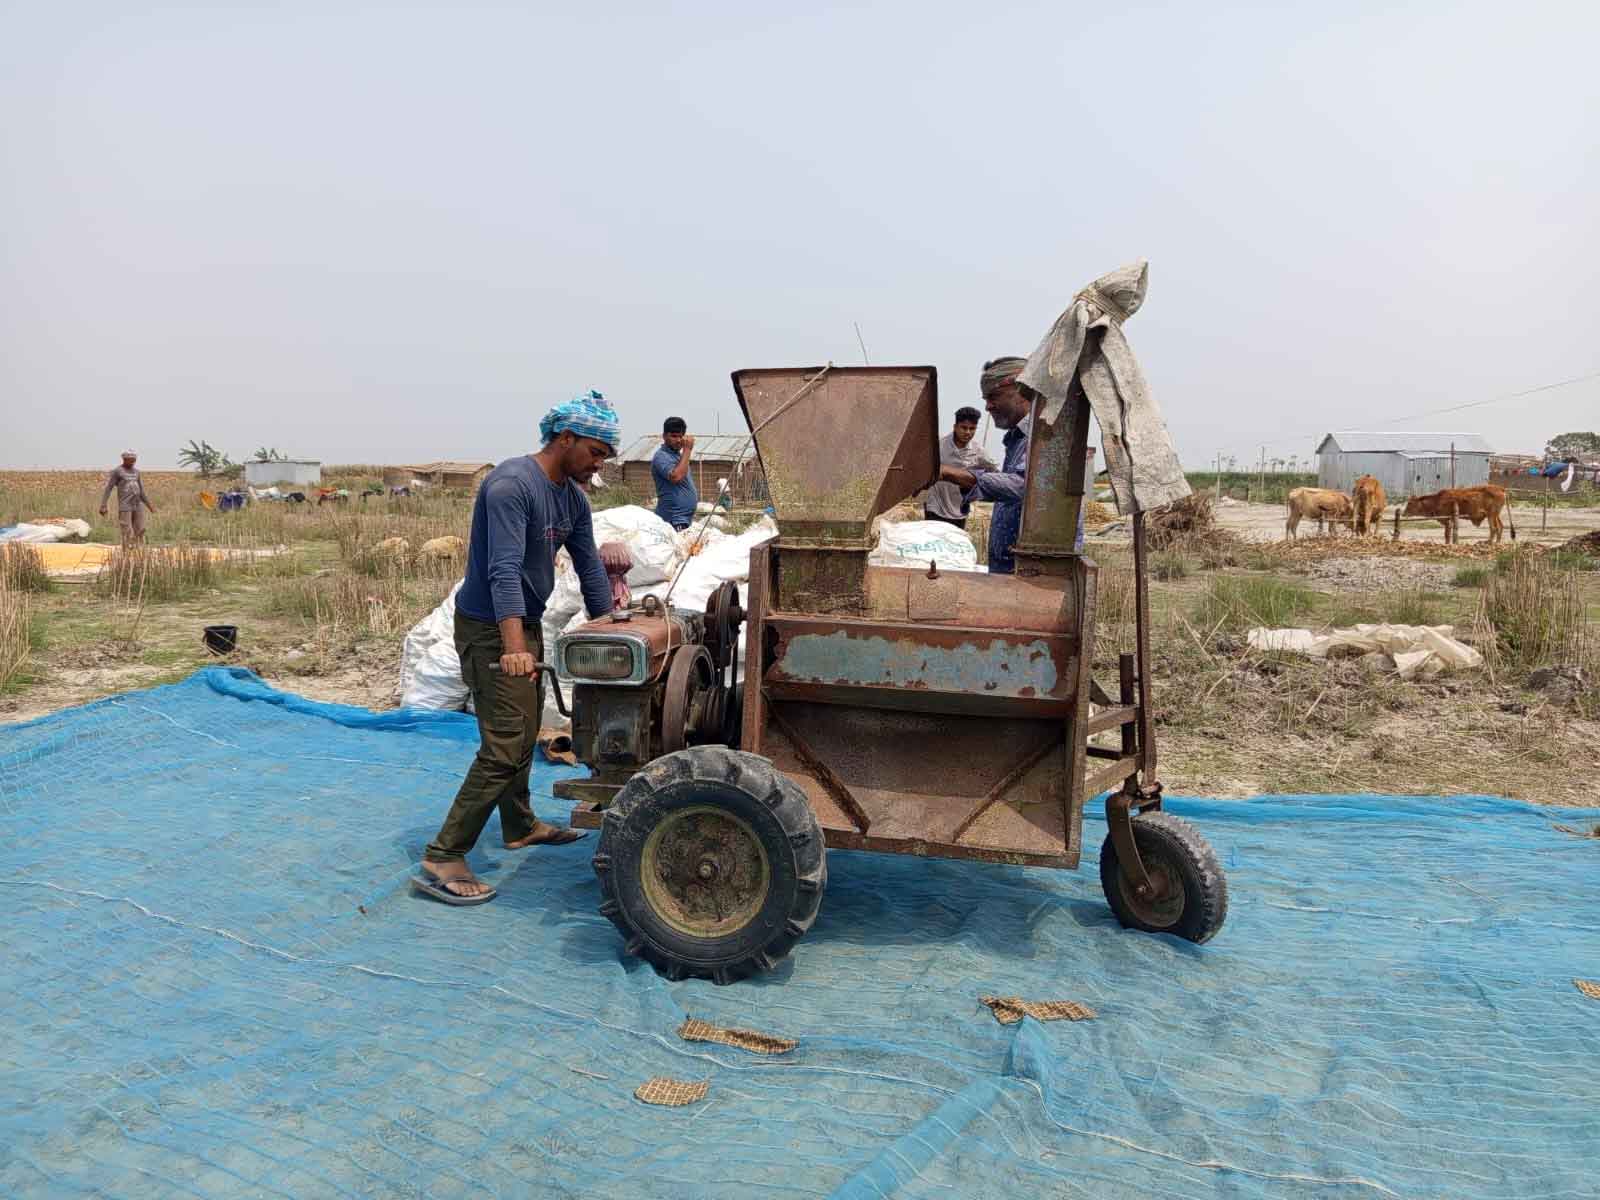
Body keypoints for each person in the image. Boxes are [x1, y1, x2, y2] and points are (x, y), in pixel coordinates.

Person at [412, 390, 631, 907]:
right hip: (491, 626)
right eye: (597, 453)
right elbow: (502, 569)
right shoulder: (511, 486)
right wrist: (513, 646)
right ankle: (443, 855)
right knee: (506, 742)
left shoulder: (572, 499)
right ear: (566, 438)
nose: (599, 465)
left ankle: (519, 823)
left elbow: (588, 567)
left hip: (523, 622)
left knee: (527, 727)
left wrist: (610, 626)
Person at [938, 357, 1086, 573]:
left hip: (1036, 574)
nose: (988, 406)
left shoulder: (1045, 435)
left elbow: (1024, 486)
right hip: (1016, 572)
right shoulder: (1017, 438)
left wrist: (948, 473)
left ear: (1020, 390)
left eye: (993, 396)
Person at [923, 406, 996, 529]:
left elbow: (995, 473)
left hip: (959, 511)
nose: (967, 432)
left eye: (972, 429)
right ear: (955, 427)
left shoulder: (979, 452)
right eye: (964, 427)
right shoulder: (938, 447)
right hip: (935, 507)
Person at [99, 450, 156, 547]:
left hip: (137, 505)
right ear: (124, 459)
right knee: (127, 530)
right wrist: (103, 505)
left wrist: (150, 506)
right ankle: (126, 553)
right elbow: (109, 488)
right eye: (131, 460)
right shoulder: (118, 471)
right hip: (125, 506)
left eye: (134, 460)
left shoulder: (137, 472)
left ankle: (138, 552)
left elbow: (141, 491)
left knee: (141, 529)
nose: (133, 462)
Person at [652, 417, 698, 530]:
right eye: (673, 436)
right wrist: (687, 450)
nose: (678, 440)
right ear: (664, 436)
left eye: (680, 436)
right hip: (673, 520)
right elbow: (676, 477)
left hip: (683, 520)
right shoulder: (661, 456)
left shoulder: (678, 457)